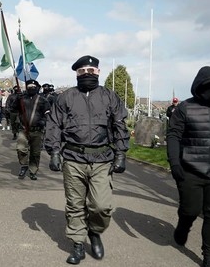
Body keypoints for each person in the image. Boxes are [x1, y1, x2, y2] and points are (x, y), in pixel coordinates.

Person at [45, 55, 129, 265]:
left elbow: (120, 125)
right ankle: (78, 244)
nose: (87, 75)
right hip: (73, 158)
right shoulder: (66, 98)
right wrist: (54, 152)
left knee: (101, 206)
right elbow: (54, 125)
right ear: (76, 74)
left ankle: (95, 231)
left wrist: (121, 153)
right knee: (75, 204)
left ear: (98, 72)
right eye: (82, 71)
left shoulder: (110, 97)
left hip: (102, 159)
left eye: (91, 71)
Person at [166, 66, 210, 267]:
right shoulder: (185, 108)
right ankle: (183, 225)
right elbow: (173, 135)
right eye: (207, 86)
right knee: (190, 210)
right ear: (197, 86)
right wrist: (175, 163)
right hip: (191, 169)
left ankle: (209, 258)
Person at [12, 80, 50, 180]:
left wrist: (43, 121)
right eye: (29, 86)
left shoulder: (42, 100)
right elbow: (13, 109)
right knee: (20, 148)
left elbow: (48, 114)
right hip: (23, 129)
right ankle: (24, 165)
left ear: (37, 87)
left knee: (35, 152)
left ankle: (33, 170)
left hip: (37, 130)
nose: (31, 88)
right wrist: (17, 99)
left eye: (33, 86)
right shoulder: (22, 98)